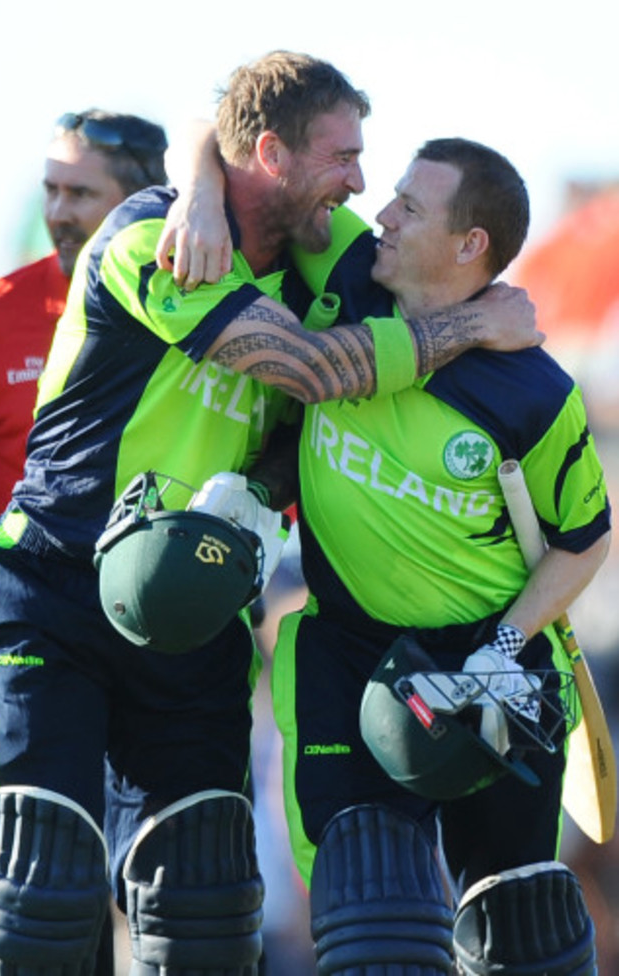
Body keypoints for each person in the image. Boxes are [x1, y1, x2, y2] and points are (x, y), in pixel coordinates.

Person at [0, 51, 541, 976]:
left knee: (204, 917)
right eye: (342, 157)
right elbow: (305, 371)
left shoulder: (324, 245)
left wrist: (265, 489)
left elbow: (424, 280)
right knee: (41, 898)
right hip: (56, 586)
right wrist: (472, 327)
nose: (359, 184)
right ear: (272, 155)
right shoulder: (154, 241)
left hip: (198, 610)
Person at [164, 135, 611, 973]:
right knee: (378, 931)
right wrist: (195, 192)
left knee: (523, 941)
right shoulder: (347, 272)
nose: (383, 215)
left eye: (410, 206)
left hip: (491, 668)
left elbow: (585, 541)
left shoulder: (536, 392)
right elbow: (233, 129)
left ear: (470, 244)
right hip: (349, 655)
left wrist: (504, 646)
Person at [0, 108, 169, 540]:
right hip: (17, 577)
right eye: (51, 190)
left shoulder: (197, 308)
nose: (57, 213)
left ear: (141, 203)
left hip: (159, 575)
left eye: (80, 194)